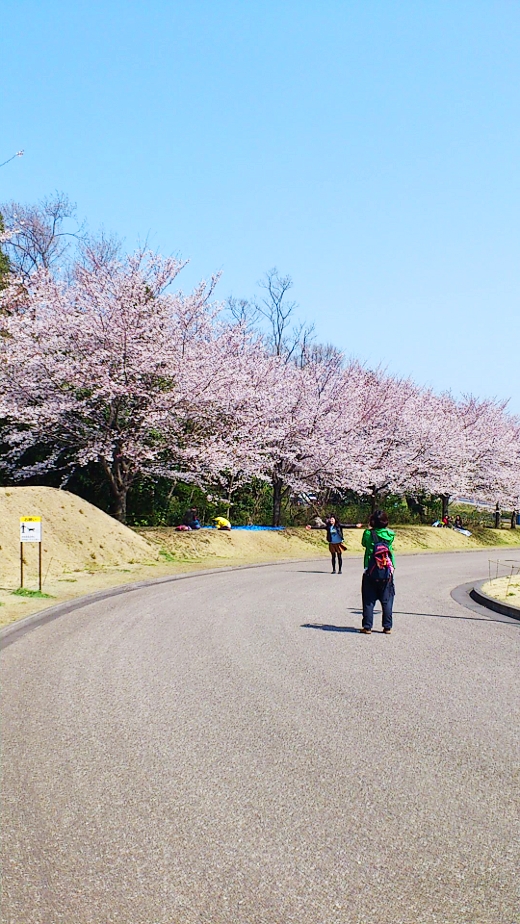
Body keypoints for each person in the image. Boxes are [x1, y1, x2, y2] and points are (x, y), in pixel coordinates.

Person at [360, 510, 395, 635]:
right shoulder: (390, 534)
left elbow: (364, 544)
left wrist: (370, 529)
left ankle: (367, 627)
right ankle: (387, 627)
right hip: (387, 570)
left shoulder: (368, 533)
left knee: (368, 600)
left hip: (370, 569)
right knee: (387, 600)